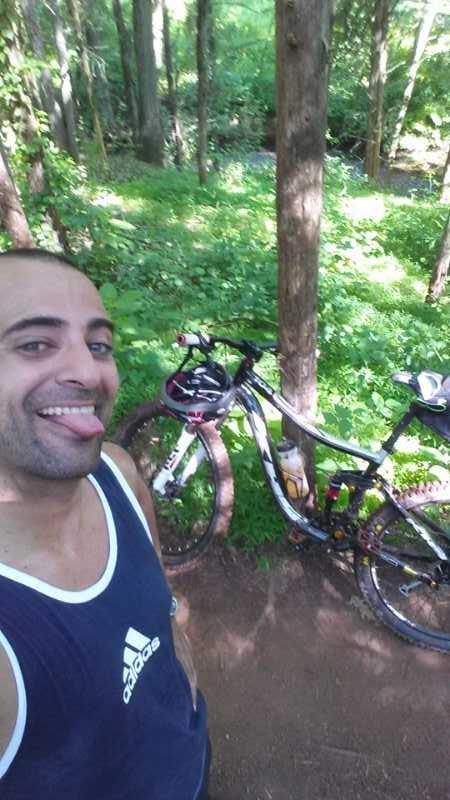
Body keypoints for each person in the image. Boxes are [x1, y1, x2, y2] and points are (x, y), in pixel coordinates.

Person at [0, 249, 210, 799]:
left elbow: (158, 592)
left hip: (190, 758)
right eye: (34, 344)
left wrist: (177, 644)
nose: (88, 372)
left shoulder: (117, 472)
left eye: (98, 346)